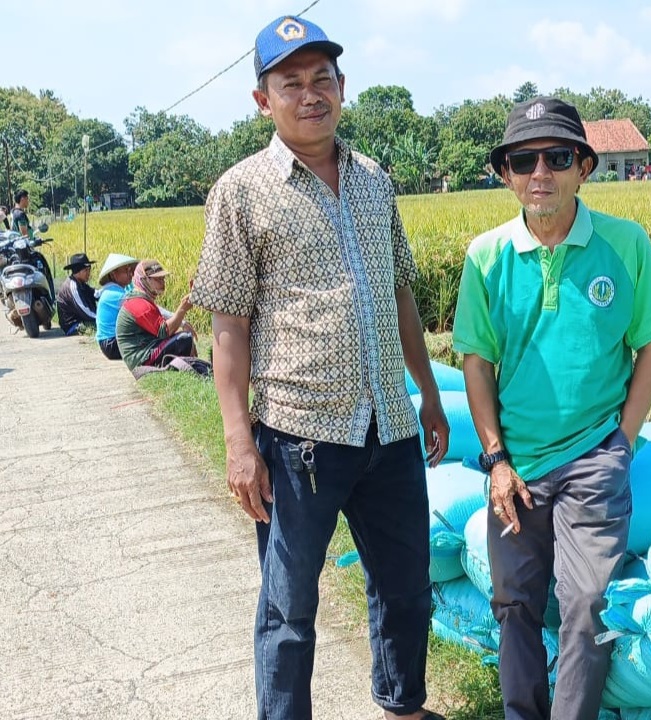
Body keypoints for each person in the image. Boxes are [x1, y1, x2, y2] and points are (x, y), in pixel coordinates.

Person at [190, 15, 450, 720]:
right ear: (263, 100)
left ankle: (402, 705)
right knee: (289, 605)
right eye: (291, 83)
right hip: (299, 434)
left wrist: (427, 392)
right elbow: (228, 326)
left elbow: (399, 291)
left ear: (342, 86)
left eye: (322, 79)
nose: (310, 94)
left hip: (389, 424)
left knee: (405, 587)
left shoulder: (374, 180)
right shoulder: (241, 191)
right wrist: (238, 441)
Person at [452, 97, 651, 720]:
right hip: (515, 466)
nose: (540, 173)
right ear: (505, 175)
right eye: (524, 161)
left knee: (587, 604)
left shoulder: (624, 244)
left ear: (584, 167)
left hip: (593, 455)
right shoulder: (486, 256)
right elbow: (477, 363)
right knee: (514, 603)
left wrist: (622, 441)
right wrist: (496, 460)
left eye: (556, 157)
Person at [115, 259, 196, 374]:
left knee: (184, 338)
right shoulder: (139, 303)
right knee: (184, 338)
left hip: (144, 352)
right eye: (158, 279)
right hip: (141, 359)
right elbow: (164, 331)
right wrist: (182, 309)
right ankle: (192, 371)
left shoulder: (141, 300)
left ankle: (193, 369)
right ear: (144, 280)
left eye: (163, 278)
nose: (162, 282)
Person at [95, 253, 138, 360]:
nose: (130, 274)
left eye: (130, 270)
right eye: (126, 270)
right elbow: (142, 306)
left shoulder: (116, 290)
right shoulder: (114, 295)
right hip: (111, 343)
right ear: (114, 274)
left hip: (110, 342)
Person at [56, 253, 98, 335]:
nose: (89, 273)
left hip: (82, 320)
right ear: (78, 271)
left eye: (89, 270)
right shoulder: (72, 287)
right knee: (106, 326)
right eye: (86, 270)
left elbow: (95, 293)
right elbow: (84, 310)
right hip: (73, 325)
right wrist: (101, 318)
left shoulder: (81, 283)